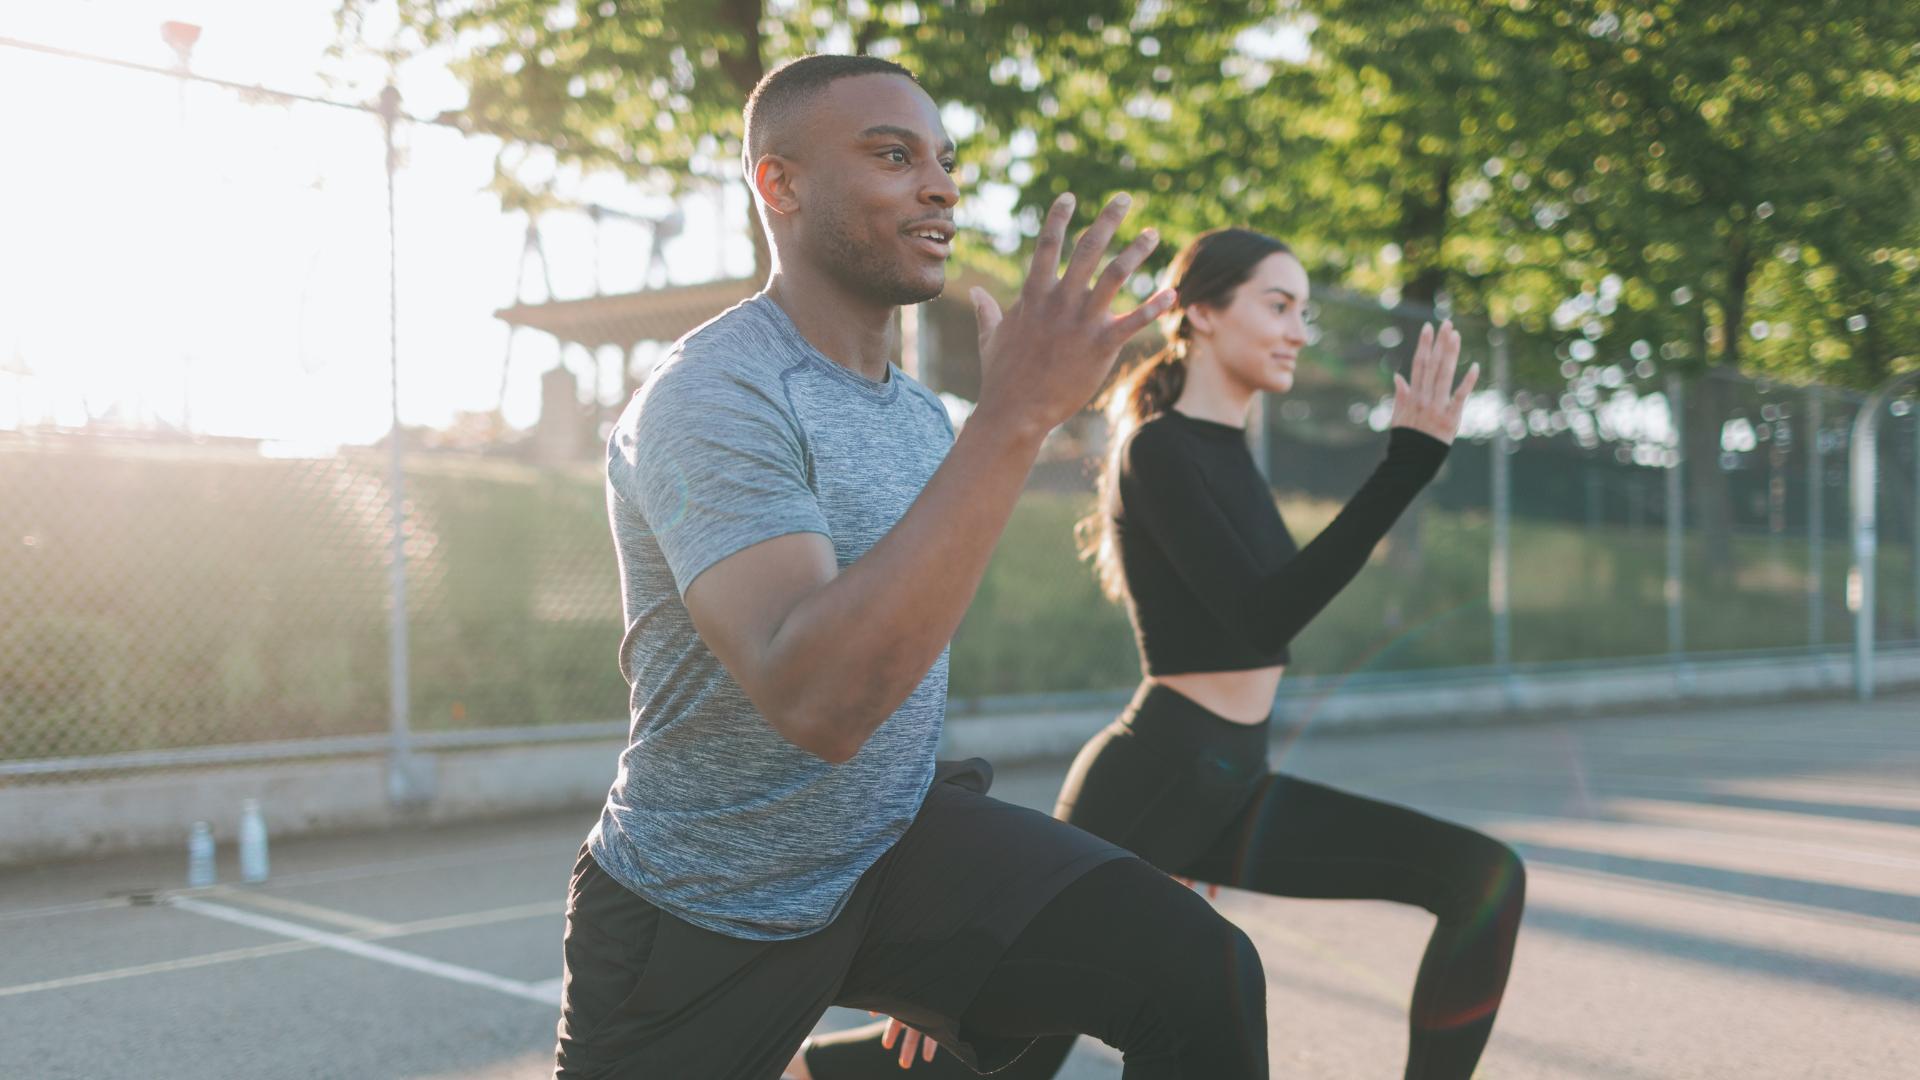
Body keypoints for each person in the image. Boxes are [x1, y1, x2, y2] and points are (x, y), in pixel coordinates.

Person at [555, 55, 1273, 1080]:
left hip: (892, 855)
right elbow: (821, 701)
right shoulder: (711, 398)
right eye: (893, 156)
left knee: (1201, 970)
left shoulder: (918, 419)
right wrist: (1016, 418)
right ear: (781, 184)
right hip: (707, 904)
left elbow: (903, 660)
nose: (941, 185)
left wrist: (970, 943)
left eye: (944, 160)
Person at [795, 229, 1526, 1080]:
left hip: (1231, 784)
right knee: (1004, 1056)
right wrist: (1405, 467)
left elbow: (1260, 617)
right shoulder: (1161, 449)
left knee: (1483, 879)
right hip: (1154, 782)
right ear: (1203, 314)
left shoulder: (1226, 453)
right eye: (1278, 305)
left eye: (1305, 313)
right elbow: (1262, 620)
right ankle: (805, 1070)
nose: (1297, 330)